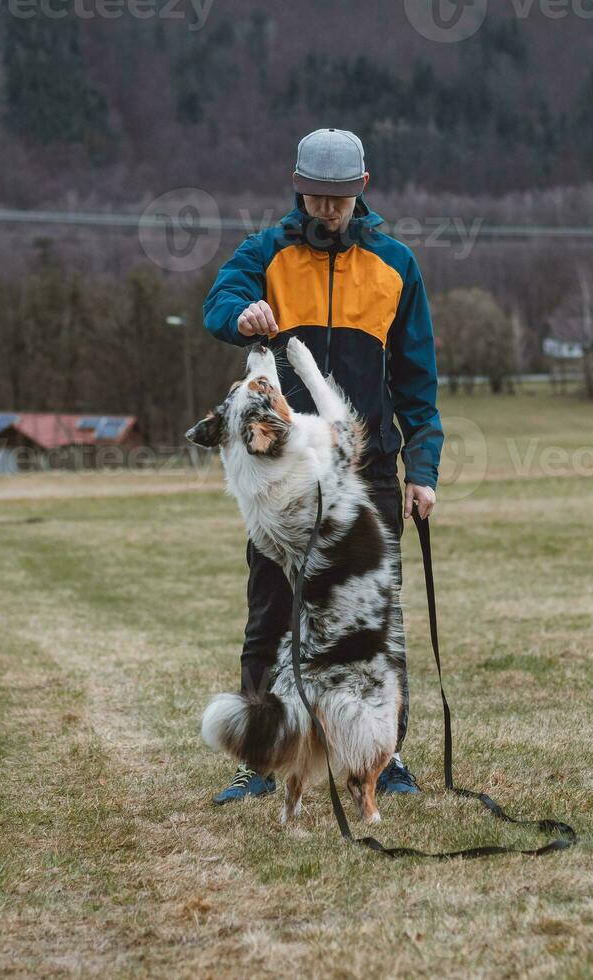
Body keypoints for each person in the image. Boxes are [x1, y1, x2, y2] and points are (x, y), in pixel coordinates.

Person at [201, 127, 444, 805]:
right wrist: (240, 315)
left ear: (361, 191)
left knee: (371, 621)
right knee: (271, 614)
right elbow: (217, 302)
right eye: (315, 198)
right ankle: (260, 759)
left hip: (365, 476)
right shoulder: (266, 253)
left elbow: (418, 383)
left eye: (338, 200)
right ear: (297, 188)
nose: (326, 211)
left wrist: (422, 468)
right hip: (287, 478)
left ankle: (383, 758)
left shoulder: (396, 265)